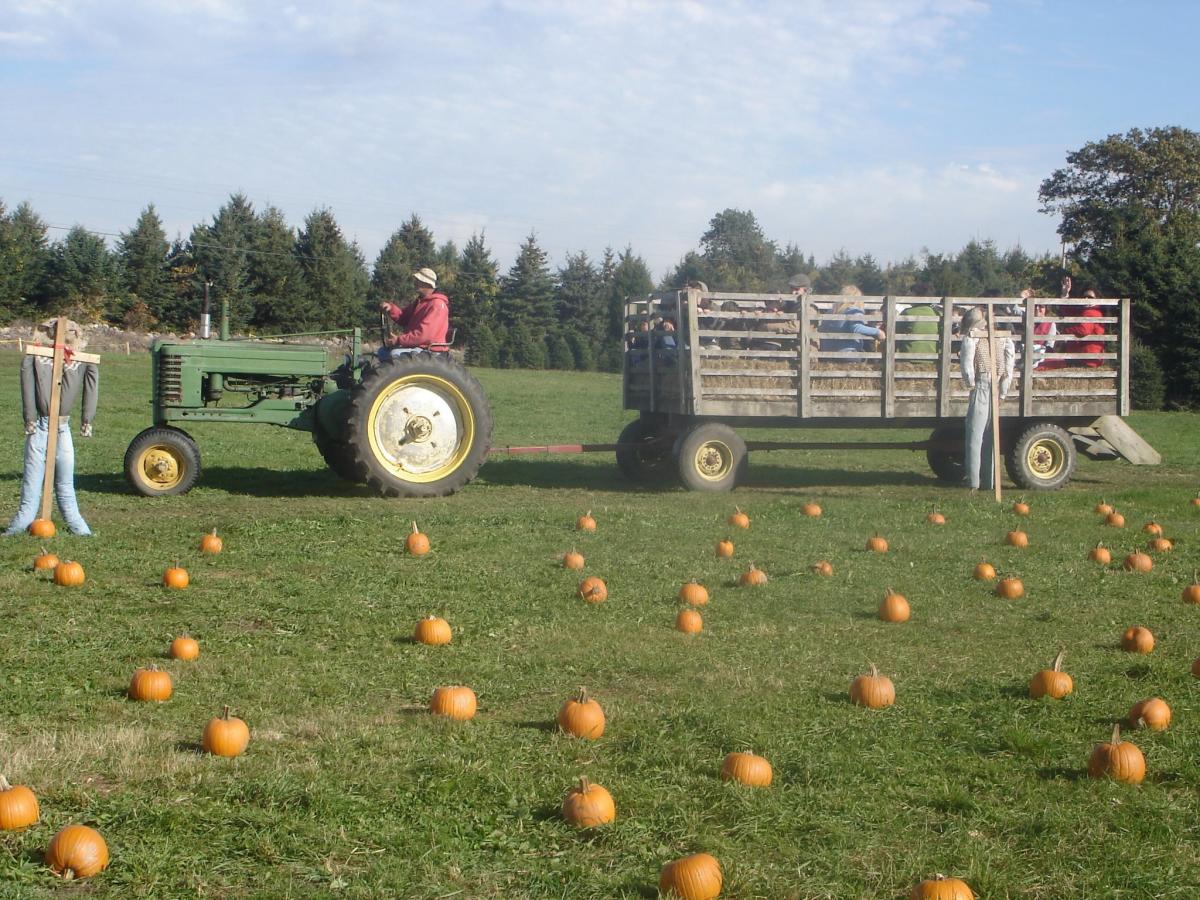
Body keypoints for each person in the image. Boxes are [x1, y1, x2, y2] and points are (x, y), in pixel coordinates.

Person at [3, 318, 97, 537]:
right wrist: (30, 418)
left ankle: (80, 528)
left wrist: (87, 419)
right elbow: (27, 386)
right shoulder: (35, 357)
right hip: (40, 427)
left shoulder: (81, 360)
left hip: (62, 428)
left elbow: (92, 384)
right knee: (32, 485)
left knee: (65, 484)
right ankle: (19, 526)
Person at [958, 306, 1015, 491]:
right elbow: (1009, 366)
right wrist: (1003, 391)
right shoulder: (998, 338)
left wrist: (971, 383)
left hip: (986, 387)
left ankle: (981, 482)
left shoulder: (985, 338)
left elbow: (968, 363)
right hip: (990, 386)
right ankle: (979, 482)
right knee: (984, 436)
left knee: (978, 436)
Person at [377, 267, 450, 361]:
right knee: (382, 352)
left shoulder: (437, 304)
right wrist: (391, 309)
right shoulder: (419, 302)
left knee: (394, 354)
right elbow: (403, 318)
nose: (415, 283)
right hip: (419, 346)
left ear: (426, 283)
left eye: (418, 280)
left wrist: (399, 340)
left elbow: (424, 335)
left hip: (429, 349)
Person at [819, 284, 886, 352]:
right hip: (848, 353)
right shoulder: (854, 310)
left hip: (826, 353)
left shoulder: (830, 312)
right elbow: (857, 328)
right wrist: (878, 332)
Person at [1064, 289, 1105, 367]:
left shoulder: (1091, 312)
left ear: (1097, 299)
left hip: (1088, 358)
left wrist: (1067, 330)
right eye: (1084, 297)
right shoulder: (1087, 311)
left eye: (1090, 297)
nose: (1086, 299)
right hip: (1090, 357)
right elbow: (1068, 312)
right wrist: (1065, 294)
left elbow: (1083, 330)